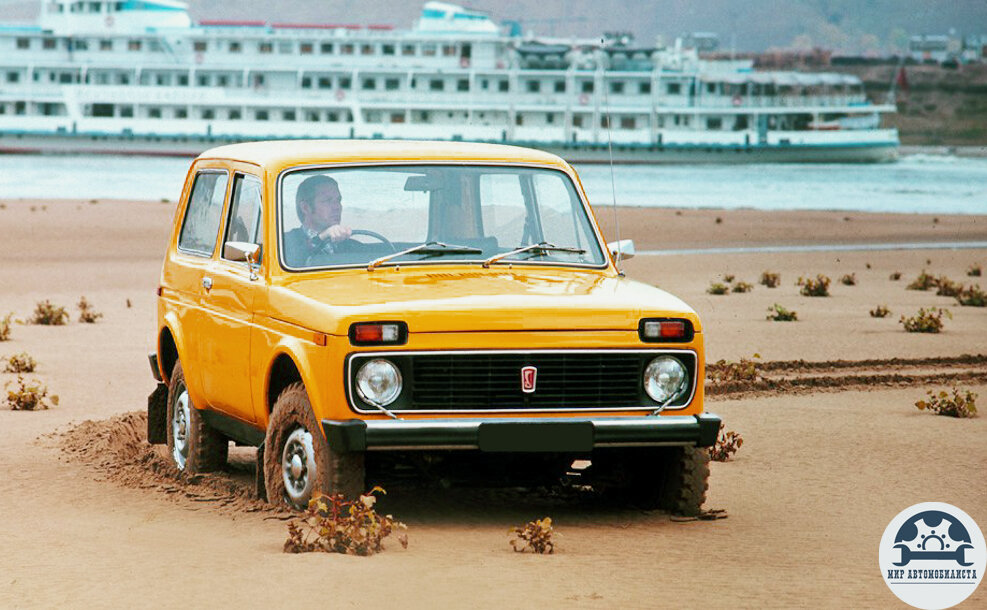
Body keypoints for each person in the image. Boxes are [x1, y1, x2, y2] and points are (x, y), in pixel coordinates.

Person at [283, 175, 352, 266]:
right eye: (327, 201)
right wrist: (321, 237)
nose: (337, 207)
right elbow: (292, 261)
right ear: (305, 208)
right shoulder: (286, 242)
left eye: (338, 200)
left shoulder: (349, 245)